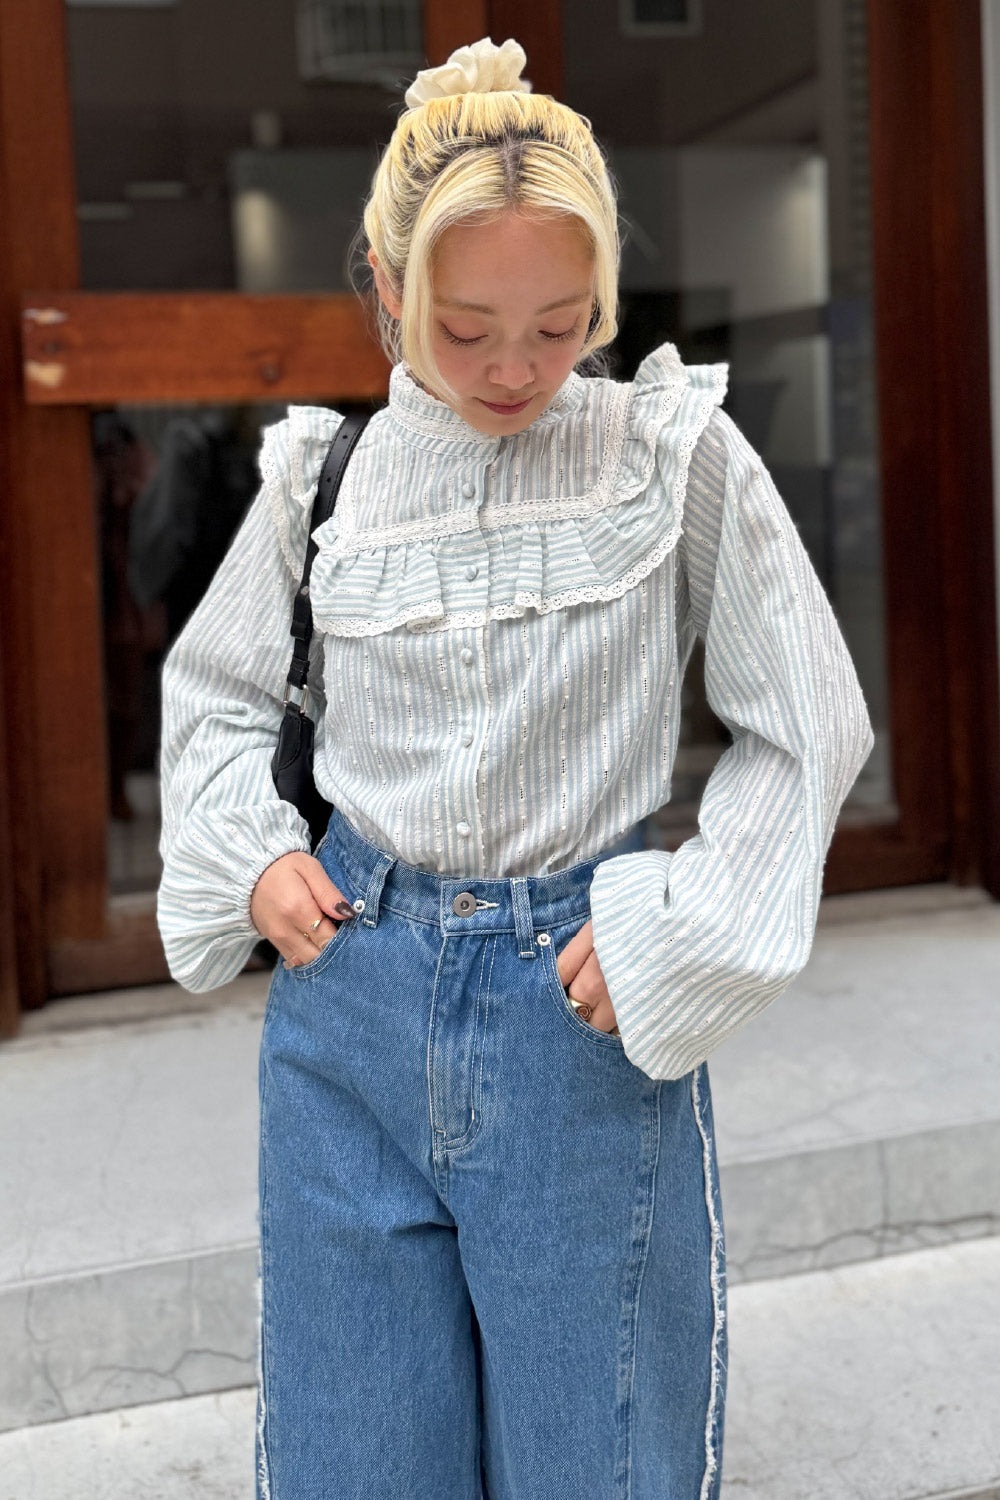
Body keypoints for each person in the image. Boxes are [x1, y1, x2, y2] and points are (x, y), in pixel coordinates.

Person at [158, 36, 873, 1500]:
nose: (513, 368)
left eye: (559, 324)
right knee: (358, 1458)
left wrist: (676, 921)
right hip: (346, 1006)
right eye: (467, 323)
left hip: (577, 1017)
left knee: (594, 1461)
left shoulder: (668, 456)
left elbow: (807, 723)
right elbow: (218, 696)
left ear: (603, 296)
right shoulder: (327, 481)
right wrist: (255, 851)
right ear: (384, 282)